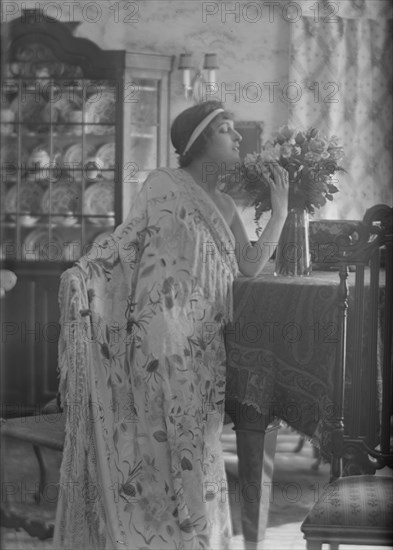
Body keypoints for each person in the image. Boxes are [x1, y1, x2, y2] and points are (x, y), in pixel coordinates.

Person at [54, 100, 288, 550]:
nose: (237, 138)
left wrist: (279, 212)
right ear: (201, 139)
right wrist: (83, 273)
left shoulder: (225, 201)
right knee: (163, 442)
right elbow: (125, 241)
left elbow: (250, 265)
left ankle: (189, 539)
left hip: (204, 342)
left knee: (198, 444)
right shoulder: (162, 183)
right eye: (226, 129)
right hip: (159, 336)